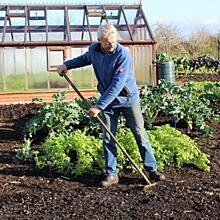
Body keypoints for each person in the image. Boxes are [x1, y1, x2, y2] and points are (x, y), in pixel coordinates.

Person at [57, 23, 165, 187]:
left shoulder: (123, 54)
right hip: (108, 102)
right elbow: (84, 59)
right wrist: (67, 65)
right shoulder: (94, 50)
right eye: (108, 42)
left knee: (140, 133)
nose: (112, 45)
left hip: (128, 100)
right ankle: (112, 174)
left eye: (114, 41)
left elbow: (117, 85)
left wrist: (99, 106)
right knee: (108, 137)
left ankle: (152, 169)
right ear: (100, 40)